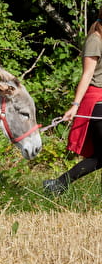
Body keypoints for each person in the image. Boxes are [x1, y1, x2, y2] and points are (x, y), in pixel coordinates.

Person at [43, 10, 102, 194]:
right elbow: (87, 74)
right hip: (98, 102)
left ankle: (58, 184)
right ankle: (59, 184)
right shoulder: (95, 39)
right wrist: (75, 105)